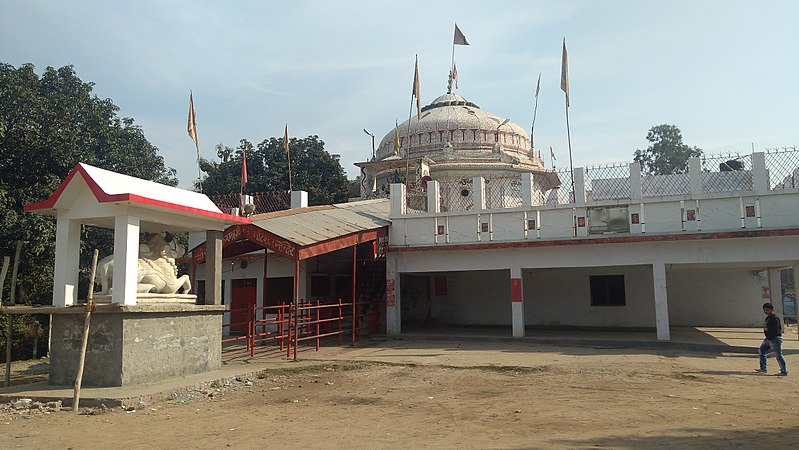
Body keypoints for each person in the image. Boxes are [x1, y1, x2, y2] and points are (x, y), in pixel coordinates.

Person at [755, 302, 788, 376]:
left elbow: (775, 330)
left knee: (778, 355)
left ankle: (784, 371)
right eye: (764, 310)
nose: (766, 312)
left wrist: (769, 339)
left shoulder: (775, 319)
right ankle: (763, 368)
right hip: (768, 338)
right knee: (761, 351)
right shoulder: (768, 318)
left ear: (771, 310)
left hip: (775, 339)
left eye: (767, 310)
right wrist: (767, 338)